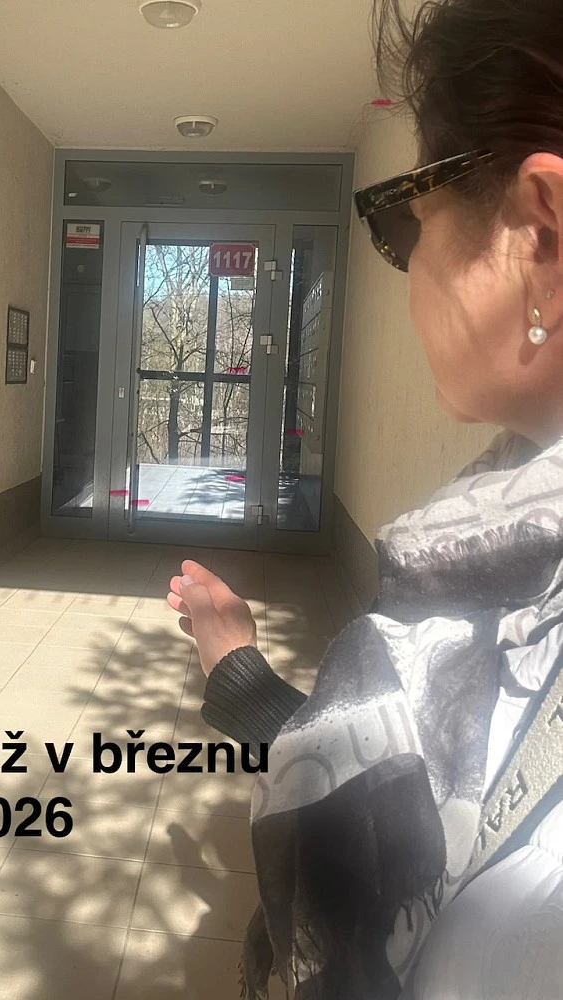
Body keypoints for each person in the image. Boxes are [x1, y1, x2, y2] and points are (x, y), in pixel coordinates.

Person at [167, 1, 563, 997]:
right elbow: (417, 797)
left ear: (543, 236)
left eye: (404, 221)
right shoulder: (513, 578)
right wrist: (240, 675)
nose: (408, 265)